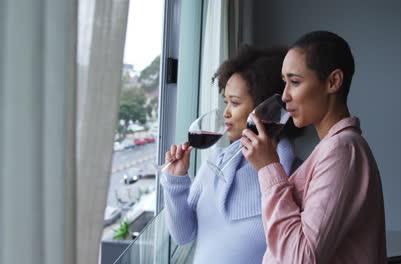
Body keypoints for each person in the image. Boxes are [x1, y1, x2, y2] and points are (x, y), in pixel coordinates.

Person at [241, 31, 387, 263]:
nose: (285, 96)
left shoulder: (343, 150)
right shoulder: (333, 148)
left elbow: (301, 257)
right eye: (284, 82)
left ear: (333, 82)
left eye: (295, 82)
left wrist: (268, 168)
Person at [160, 44, 302, 264]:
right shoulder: (216, 161)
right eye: (226, 101)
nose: (225, 112)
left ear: (267, 109)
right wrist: (176, 181)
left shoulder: (294, 176)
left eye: (234, 103)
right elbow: (183, 235)